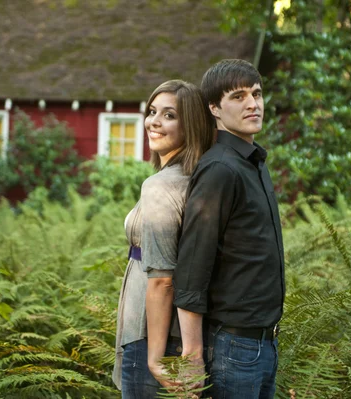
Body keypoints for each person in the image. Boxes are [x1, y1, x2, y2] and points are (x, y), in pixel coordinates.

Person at [173, 59, 286, 399]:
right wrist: (192, 355)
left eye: (257, 93)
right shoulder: (220, 169)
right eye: (238, 96)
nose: (253, 104)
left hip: (264, 342)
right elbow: (192, 267)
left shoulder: (252, 163)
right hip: (234, 347)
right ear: (215, 108)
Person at [112, 79, 214, 398]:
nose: (154, 121)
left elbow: (162, 280)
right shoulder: (199, 178)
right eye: (152, 111)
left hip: (149, 332)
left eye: (169, 115)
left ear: (192, 125)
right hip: (177, 330)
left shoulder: (161, 186)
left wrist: (155, 360)